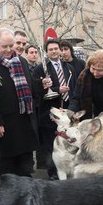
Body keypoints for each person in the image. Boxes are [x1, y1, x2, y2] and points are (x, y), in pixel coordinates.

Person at [0, 28, 39, 176]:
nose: (9, 50)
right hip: (4, 126)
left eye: (11, 45)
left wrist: (42, 86)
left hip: (24, 122)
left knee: (26, 169)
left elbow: (30, 88)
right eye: (4, 46)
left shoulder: (21, 61)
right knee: (8, 171)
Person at [33, 38, 77, 180]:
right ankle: (53, 174)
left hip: (66, 114)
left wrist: (71, 110)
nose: (54, 51)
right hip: (49, 115)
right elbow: (36, 91)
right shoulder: (41, 68)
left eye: (56, 49)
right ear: (46, 52)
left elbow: (74, 89)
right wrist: (58, 90)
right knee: (51, 147)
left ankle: (68, 171)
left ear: (60, 50)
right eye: (50, 49)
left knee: (67, 144)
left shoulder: (69, 68)